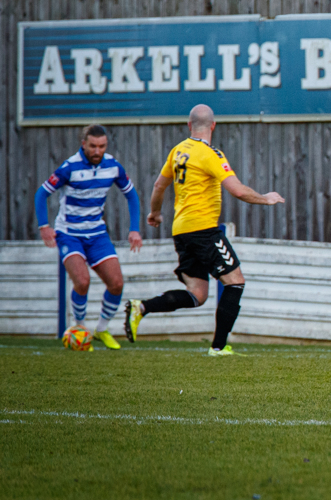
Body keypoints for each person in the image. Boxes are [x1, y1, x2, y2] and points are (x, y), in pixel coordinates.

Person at [123, 104, 284, 356]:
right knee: (235, 282)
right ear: (213, 125)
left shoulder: (178, 151)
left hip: (181, 231)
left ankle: (141, 307)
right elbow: (238, 190)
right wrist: (266, 198)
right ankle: (219, 347)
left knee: (197, 294)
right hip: (204, 229)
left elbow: (158, 185)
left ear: (189, 125)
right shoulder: (211, 154)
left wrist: (154, 213)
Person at [34, 124, 143, 350]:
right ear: (83, 144)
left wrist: (134, 229)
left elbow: (132, 195)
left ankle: (101, 329)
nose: (97, 151)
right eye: (93, 146)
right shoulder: (69, 168)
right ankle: (79, 328)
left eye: (101, 146)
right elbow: (41, 193)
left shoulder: (112, 166)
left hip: (97, 234)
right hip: (69, 234)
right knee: (82, 281)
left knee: (116, 283)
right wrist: (44, 226)